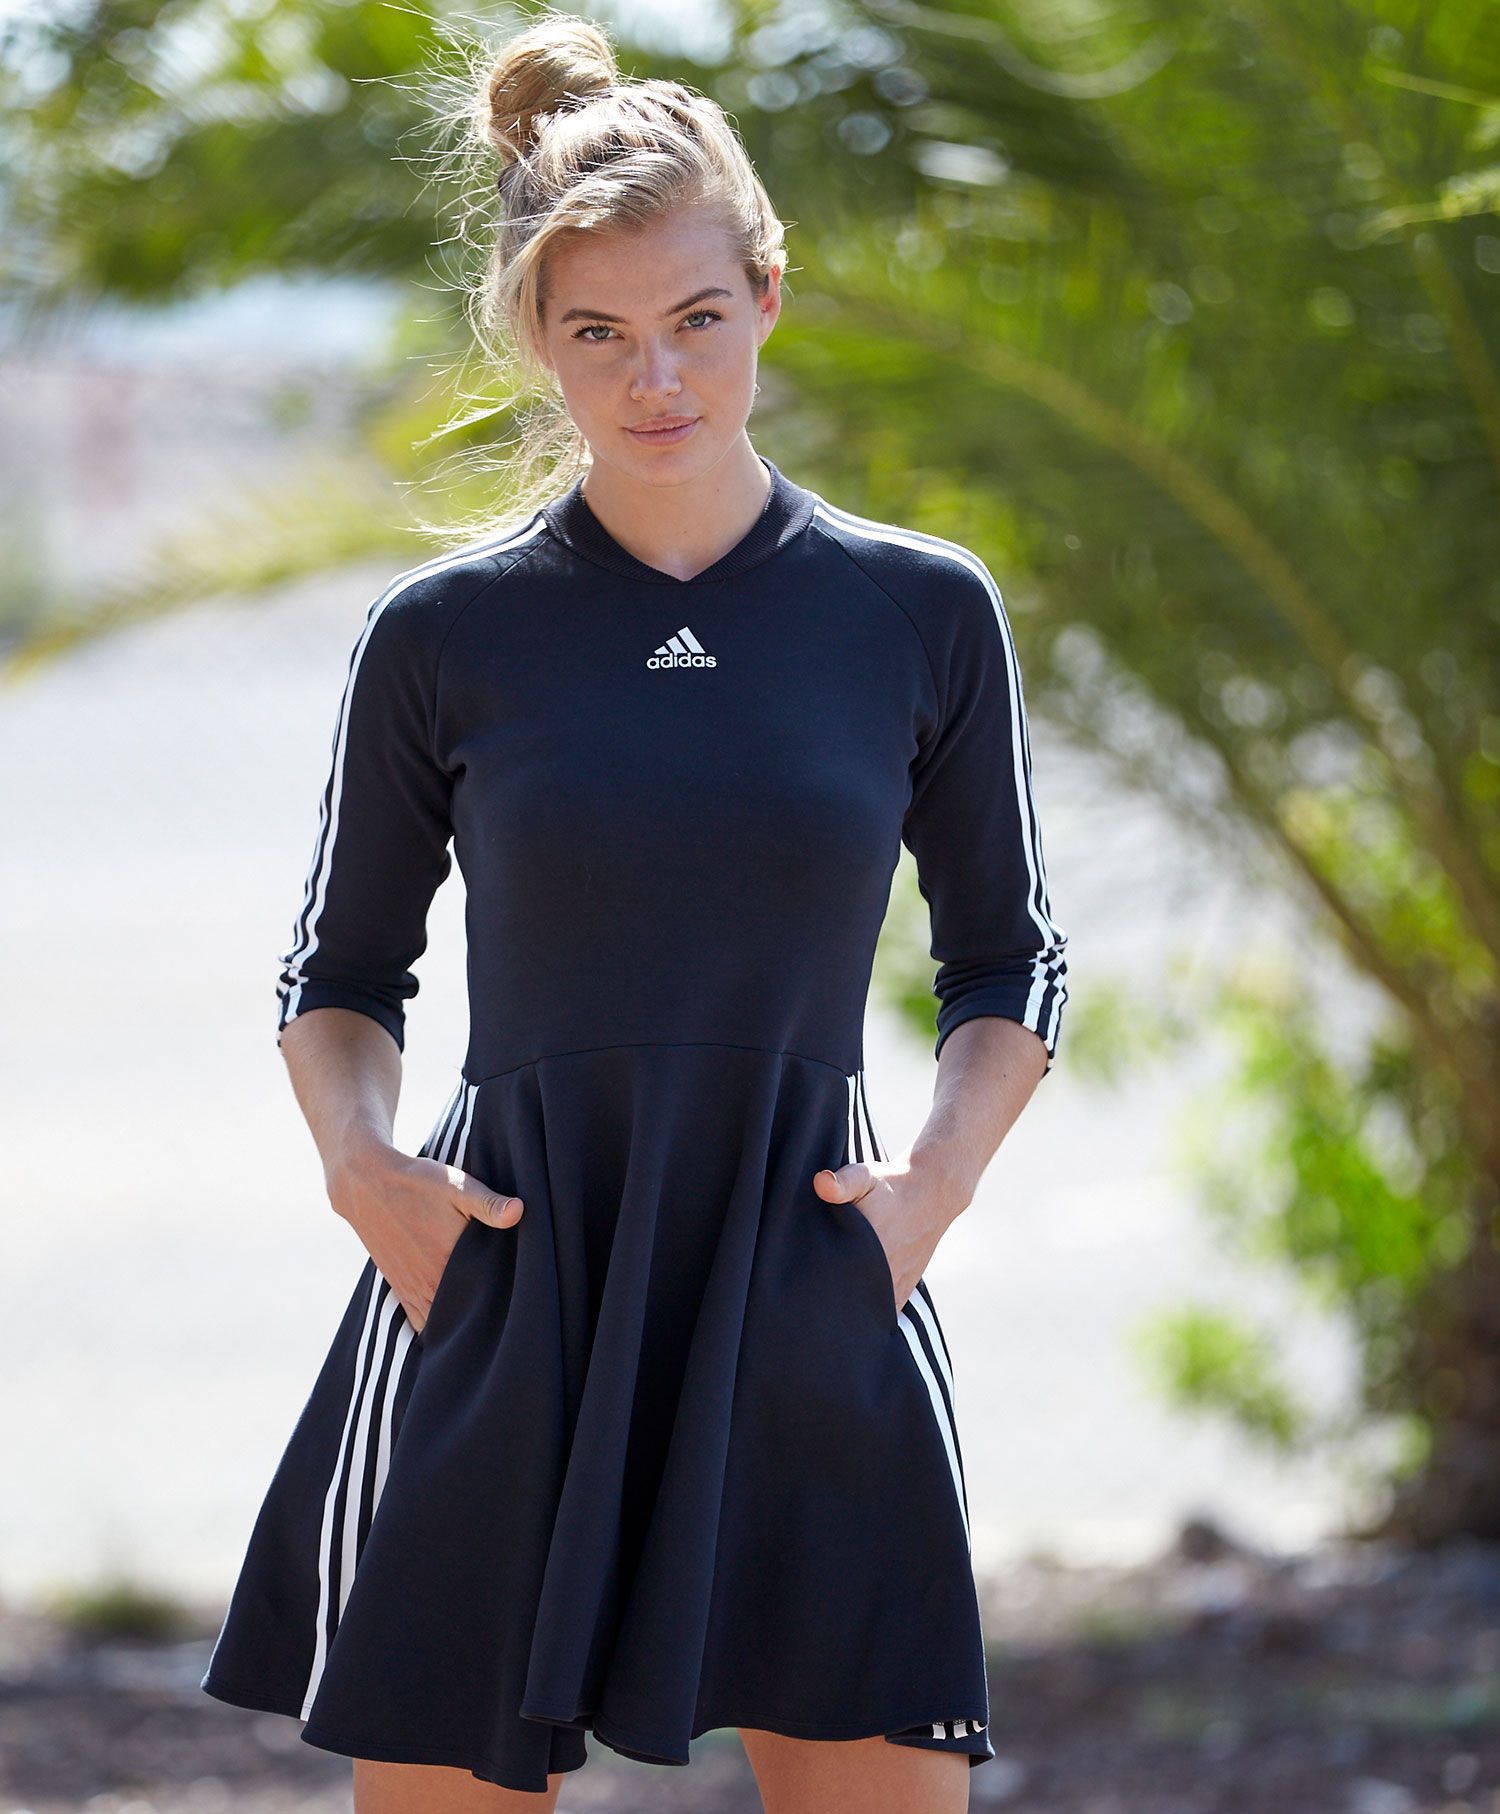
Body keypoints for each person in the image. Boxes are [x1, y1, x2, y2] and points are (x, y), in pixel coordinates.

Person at [199, 11, 1069, 1812]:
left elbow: (1012, 957)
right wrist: (366, 1175)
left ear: (769, 294)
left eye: (696, 319)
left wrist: (926, 1198)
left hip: (811, 1277)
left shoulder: (918, 610)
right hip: (500, 1283)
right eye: (597, 331)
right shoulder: (444, 634)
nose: (654, 376)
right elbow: (340, 968)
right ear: (536, 335)